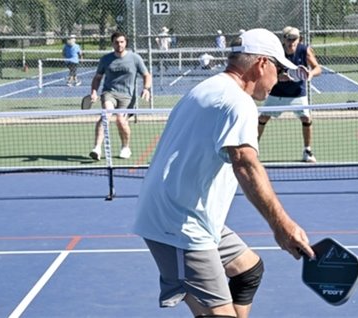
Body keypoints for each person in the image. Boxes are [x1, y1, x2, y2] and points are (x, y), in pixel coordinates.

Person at [133, 28, 315, 318]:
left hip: (195, 216)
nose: (279, 80)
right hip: (179, 228)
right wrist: (282, 225)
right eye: (279, 69)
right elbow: (245, 163)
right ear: (262, 64)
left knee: (248, 271)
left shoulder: (208, 88)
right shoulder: (239, 102)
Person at [257, 26, 322, 163]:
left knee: (306, 118)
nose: (291, 42)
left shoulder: (304, 50)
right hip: (278, 92)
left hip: (298, 93)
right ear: (284, 39)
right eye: (289, 39)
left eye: (294, 39)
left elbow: (317, 68)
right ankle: (253, 149)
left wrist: (310, 74)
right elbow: (268, 71)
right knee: (263, 118)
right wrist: (279, 77)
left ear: (299, 39)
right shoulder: (276, 51)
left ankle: (307, 151)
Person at [89, 32, 151, 160]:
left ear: (126, 43)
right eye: (116, 42)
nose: (119, 44)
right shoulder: (105, 59)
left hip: (127, 96)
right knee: (105, 115)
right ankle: (97, 148)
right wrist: (94, 91)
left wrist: (146, 88)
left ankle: (125, 147)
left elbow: (146, 75)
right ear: (112, 43)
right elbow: (97, 77)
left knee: (120, 120)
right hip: (109, 93)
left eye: (122, 42)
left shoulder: (135, 58)